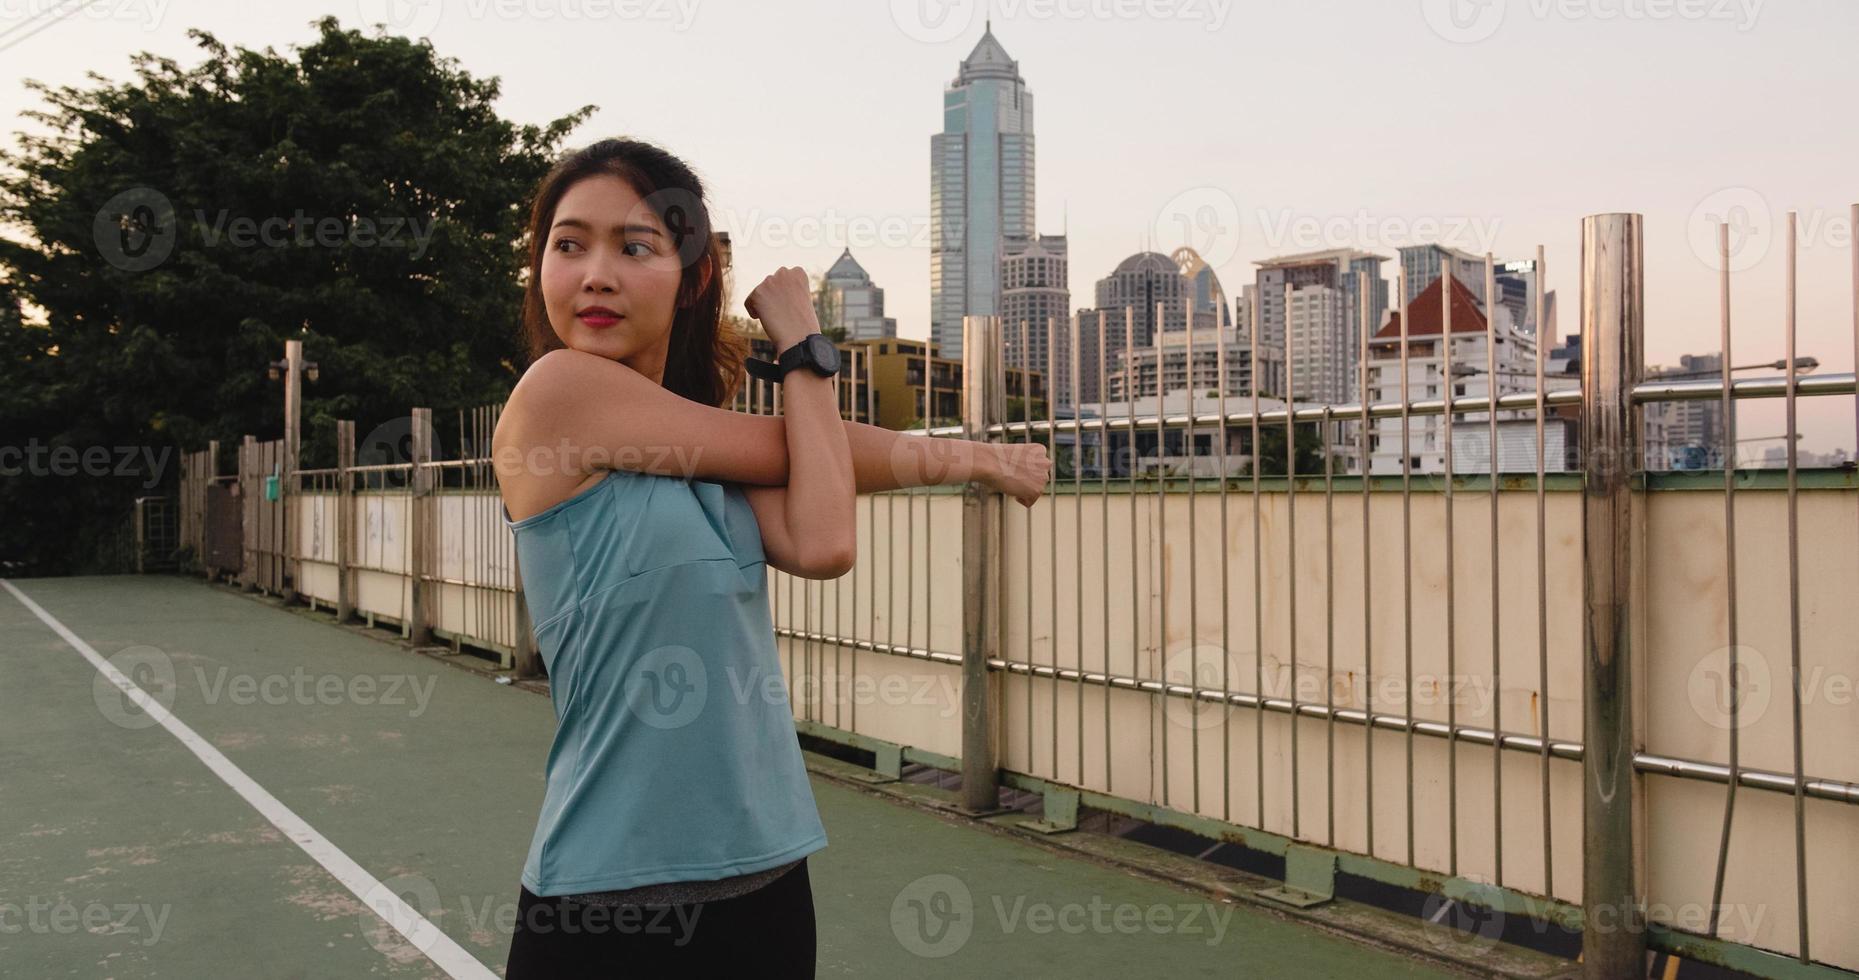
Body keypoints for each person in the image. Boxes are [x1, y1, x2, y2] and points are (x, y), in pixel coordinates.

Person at [491, 137, 1049, 977]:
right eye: (567, 245)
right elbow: (813, 493)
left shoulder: (697, 443)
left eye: (633, 247)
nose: (594, 273)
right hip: (610, 898)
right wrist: (803, 347)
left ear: (691, 278)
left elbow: (817, 509)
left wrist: (977, 457)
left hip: (765, 879)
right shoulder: (558, 394)